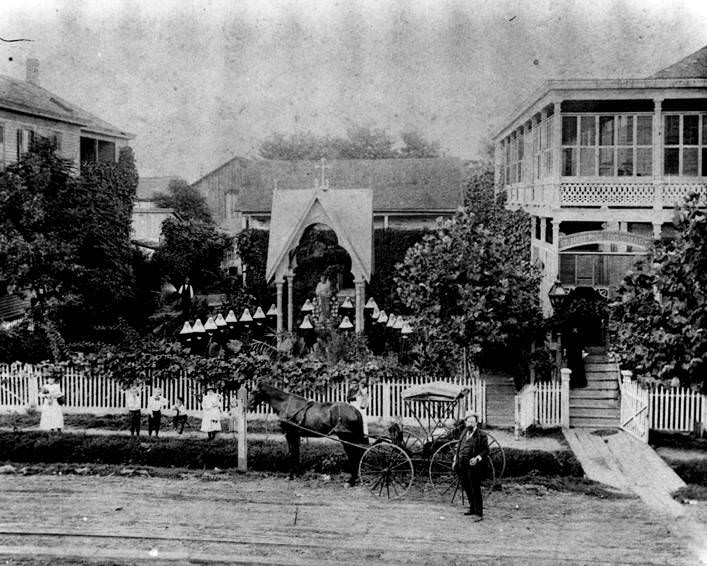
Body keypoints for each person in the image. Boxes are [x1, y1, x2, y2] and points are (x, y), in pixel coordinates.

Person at [454, 411, 489, 521]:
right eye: (468, 421)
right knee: (467, 486)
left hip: (474, 466)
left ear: (476, 423)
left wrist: (477, 458)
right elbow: (459, 446)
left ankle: (479, 512)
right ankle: (472, 508)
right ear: (465, 423)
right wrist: (455, 459)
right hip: (462, 464)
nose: (470, 423)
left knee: (475, 488)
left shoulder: (482, 435)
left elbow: (486, 450)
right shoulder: (464, 432)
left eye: (473, 422)